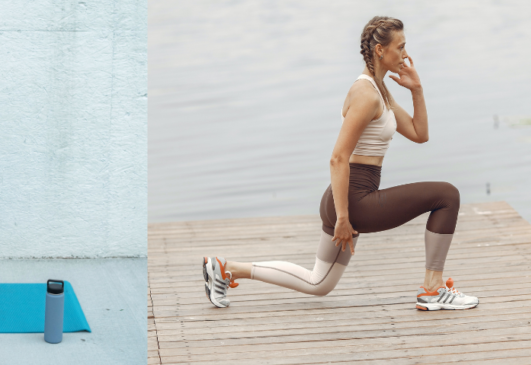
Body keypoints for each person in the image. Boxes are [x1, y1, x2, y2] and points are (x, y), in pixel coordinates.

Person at [200, 16, 477, 312]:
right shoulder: (366, 94)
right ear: (381, 50)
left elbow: (420, 135)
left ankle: (227, 269)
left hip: (347, 197)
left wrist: (417, 90)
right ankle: (433, 290)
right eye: (401, 47)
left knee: (318, 283)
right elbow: (338, 157)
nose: (406, 55)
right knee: (446, 195)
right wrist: (344, 218)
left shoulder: (380, 91)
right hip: (353, 199)